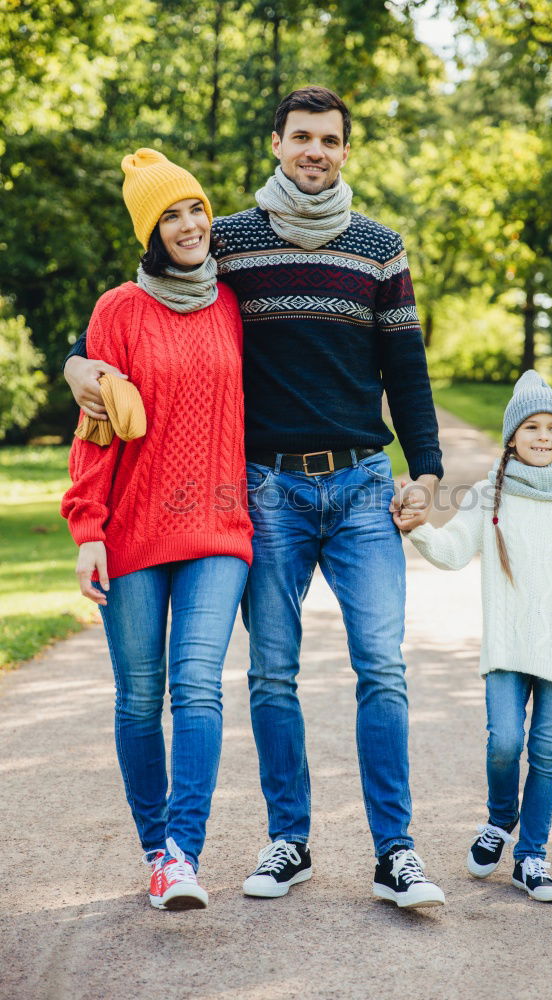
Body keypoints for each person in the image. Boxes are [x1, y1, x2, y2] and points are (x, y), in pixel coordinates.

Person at [63, 87, 445, 909]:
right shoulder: (230, 239)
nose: (315, 150)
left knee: (381, 666)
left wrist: (430, 470)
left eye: (330, 140)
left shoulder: (381, 248)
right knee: (271, 674)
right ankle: (289, 841)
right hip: (267, 490)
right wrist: (77, 363)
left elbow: (406, 372)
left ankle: (397, 853)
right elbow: (145, 297)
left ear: (347, 150)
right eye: (301, 136)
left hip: (362, 485)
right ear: (276, 142)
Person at [61, 149, 253, 911]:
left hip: (217, 529)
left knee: (196, 686)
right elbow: (95, 429)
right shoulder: (118, 310)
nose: (188, 225)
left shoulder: (233, 304)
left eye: (195, 209)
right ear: (150, 230)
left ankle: (182, 853)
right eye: (169, 215)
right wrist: (89, 530)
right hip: (135, 533)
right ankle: (154, 849)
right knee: (140, 697)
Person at [396, 370, 552, 902]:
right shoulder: (488, 495)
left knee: (546, 751)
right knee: (504, 743)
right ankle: (501, 820)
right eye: (531, 427)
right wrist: (420, 529)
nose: (543, 437)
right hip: (508, 646)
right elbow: (454, 551)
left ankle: (532, 857)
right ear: (511, 436)